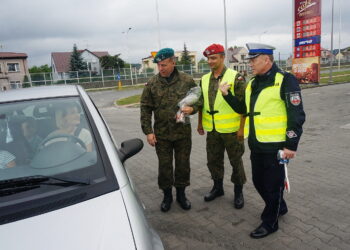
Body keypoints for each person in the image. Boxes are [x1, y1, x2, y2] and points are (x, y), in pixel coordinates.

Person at [219, 43, 306, 238]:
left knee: (273, 186)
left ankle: (270, 222)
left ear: (266, 60)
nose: (249, 63)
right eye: (249, 60)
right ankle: (279, 206)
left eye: (253, 60)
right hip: (257, 144)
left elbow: (297, 115)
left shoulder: (285, 80)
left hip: (276, 146)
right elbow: (243, 109)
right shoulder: (253, 83)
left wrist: (291, 145)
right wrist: (227, 95)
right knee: (259, 182)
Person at [140, 48, 200, 212]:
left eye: (164, 65)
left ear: (173, 62)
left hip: (182, 134)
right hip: (162, 135)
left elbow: (198, 101)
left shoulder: (187, 80)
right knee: (165, 167)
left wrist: (192, 110)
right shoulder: (152, 84)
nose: (161, 68)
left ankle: (181, 195)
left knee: (182, 165)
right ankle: (167, 196)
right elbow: (145, 108)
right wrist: (148, 132)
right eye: (159, 65)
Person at [197, 44, 247, 209]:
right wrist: (199, 123)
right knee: (213, 161)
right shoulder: (204, 79)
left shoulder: (235, 77)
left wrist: (241, 129)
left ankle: (238, 192)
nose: (210, 61)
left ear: (222, 57)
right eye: (208, 59)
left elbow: (243, 106)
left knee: (236, 162)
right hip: (212, 130)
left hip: (232, 131)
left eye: (213, 58)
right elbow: (201, 103)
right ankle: (218, 188)